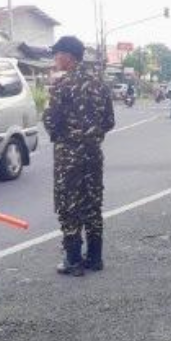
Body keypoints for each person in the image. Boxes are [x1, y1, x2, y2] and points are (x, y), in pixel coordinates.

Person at [43, 36, 116, 276]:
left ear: (68, 56)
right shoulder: (100, 84)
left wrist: (68, 137)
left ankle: (73, 259)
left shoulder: (62, 86)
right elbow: (109, 121)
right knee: (93, 203)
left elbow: (51, 122)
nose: (55, 59)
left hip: (68, 155)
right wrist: (92, 136)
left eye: (57, 54)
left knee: (68, 205)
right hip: (93, 153)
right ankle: (95, 257)